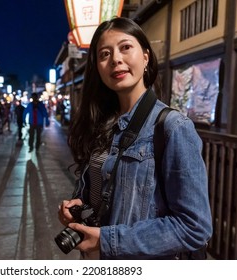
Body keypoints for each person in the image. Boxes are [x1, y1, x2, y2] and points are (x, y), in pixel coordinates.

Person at [57, 17, 212, 259]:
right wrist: (81, 205)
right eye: (104, 54)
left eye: (125, 47)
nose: (116, 59)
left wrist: (108, 240)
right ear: (97, 67)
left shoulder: (172, 127)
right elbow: (107, 190)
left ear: (146, 57)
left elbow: (194, 227)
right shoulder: (102, 123)